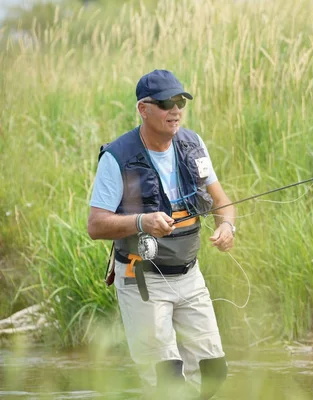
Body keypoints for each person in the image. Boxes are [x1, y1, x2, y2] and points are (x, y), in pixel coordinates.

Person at [87, 69, 235, 399]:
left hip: (189, 275)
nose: (176, 110)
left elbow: (223, 203)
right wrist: (142, 222)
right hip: (140, 276)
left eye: (180, 101)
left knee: (214, 371)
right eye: (167, 103)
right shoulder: (117, 157)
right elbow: (95, 225)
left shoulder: (192, 144)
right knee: (166, 379)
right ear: (143, 109)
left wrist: (227, 226)